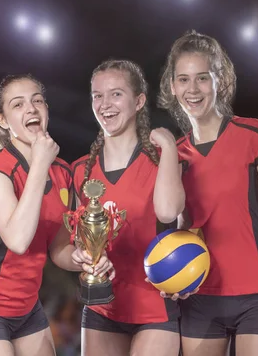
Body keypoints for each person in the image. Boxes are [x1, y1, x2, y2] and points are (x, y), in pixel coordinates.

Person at [155, 30, 258, 356]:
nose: (193, 89)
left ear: (220, 80)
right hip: (200, 298)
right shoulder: (174, 154)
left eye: (202, 78)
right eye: (184, 79)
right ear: (173, 86)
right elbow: (179, 226)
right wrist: (170, 273)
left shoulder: (255, 136)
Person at [0, 74, 112, 356]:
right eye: (18, 104)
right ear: (2, 120)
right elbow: (18, 240)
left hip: (28, 309)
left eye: (37, 100)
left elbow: (58, 247)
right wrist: (39, 164)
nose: (32, 108)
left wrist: (83, 259)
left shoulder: (61, 172)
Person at [71, 60, 181, 356]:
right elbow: (69, 245)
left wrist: (170, 149)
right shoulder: (79, 171)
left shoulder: (162, 160)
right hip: (101, 309)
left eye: (116, 94)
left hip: (155, 306)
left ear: (139, 101)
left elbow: (174, 216)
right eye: (97, 96)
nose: (105, 104)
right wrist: (80, 255)